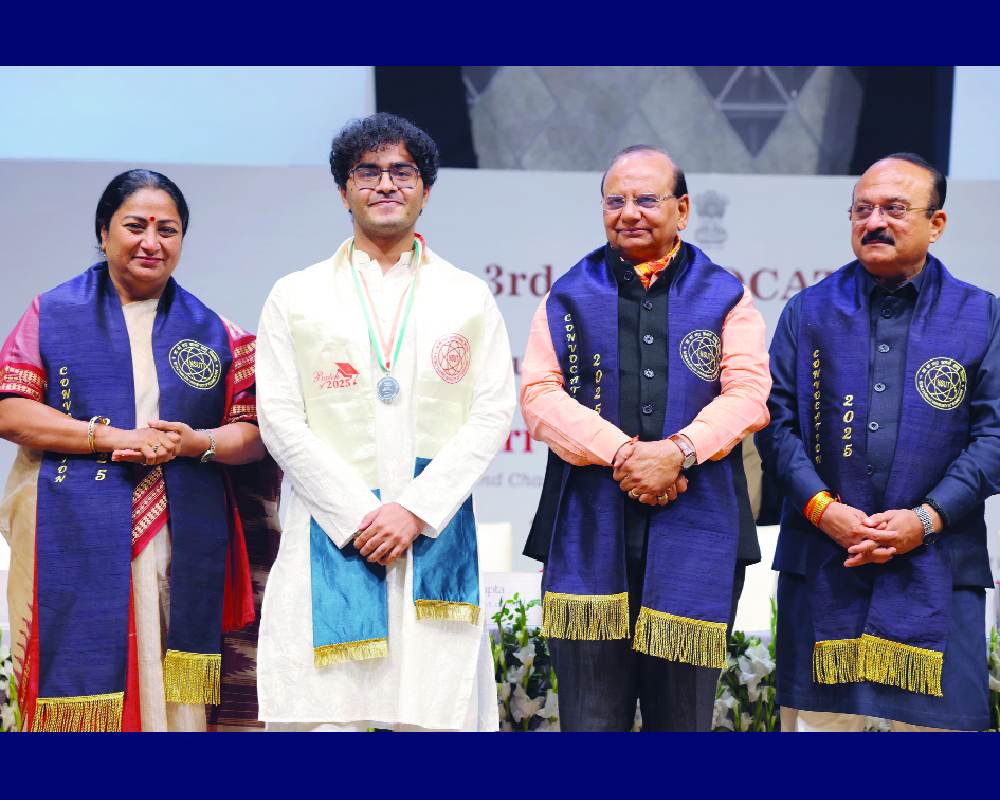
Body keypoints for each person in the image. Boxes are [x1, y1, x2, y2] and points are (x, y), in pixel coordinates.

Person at [255, 112, 515, 731]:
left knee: (434, 713)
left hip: (432, 535)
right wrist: (358, 515)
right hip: (331, 533)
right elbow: (279, 418)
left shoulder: (466, 296)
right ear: (343, 189)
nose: (386, 184)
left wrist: (415, 510)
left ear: (426, 189)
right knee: (328, 721)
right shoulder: (296, 295)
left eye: (402, 171)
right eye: (367, 172)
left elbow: (492, 412)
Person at [0, 169, 271, 731]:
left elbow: (253, 434)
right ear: (103, 233)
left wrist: (197, 443)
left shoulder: (218, 333)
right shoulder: (51, 314)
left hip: (177, 540)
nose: (152, 242)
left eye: (167, 230)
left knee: (172, 697)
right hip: (70, 528)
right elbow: (10, 411)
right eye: (135, 226)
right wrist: (115, 437)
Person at [520, 145, 771, 731]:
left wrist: (678, 453)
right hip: (587, 524)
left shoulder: (726, 295)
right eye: (616, 200)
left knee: (682, 721)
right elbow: (538, 394)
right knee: (589, 719)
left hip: (697, 527)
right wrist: (628, 455)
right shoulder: (567, 294)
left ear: (682, 210)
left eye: (646, 199)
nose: (629, 213)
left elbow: (748, 393)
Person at [758, 153, 999, 732]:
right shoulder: (808, 312)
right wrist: (824, 510)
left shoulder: (981, 316)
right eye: (862, 210)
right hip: (825, 559)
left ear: (936, 223)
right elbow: (775, 424)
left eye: (894, 209)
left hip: (940, 561)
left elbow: (995, 436)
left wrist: (926, 519)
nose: (874, 222)